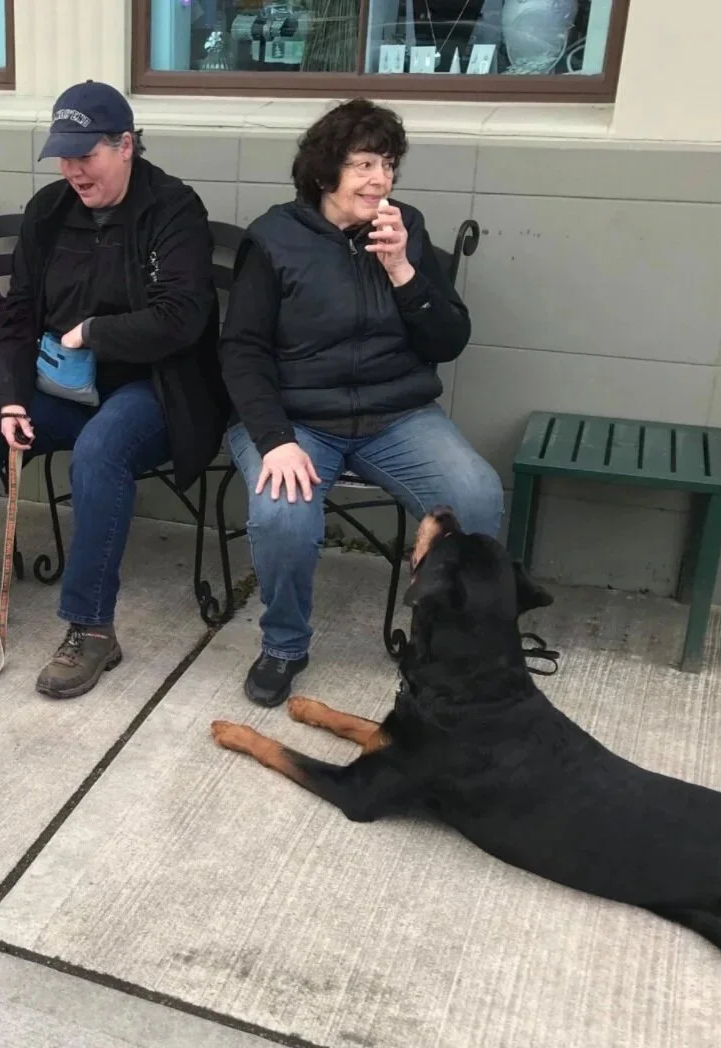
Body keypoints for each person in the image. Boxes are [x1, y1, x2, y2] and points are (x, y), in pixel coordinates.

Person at [0, 80, 228, 700]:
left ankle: (91, 628)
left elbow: (183, 317)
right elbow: (18, 314)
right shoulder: (50, 210)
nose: (74, 170)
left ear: (125, 145)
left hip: (150, 389)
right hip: (60, 386)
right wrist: (14, 394)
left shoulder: (174, 210)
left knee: (103, 449)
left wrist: (93, 331)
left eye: (87, 156)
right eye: (65, 157)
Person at [220, 99, 503, 707]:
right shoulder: (273, 239)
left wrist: (402, 268)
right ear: (326, 174)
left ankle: (450, 641)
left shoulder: (407, 230)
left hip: (395, 416)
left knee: (477, 495)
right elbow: (241, 351)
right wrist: (275, 439)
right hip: (295, 420)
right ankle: (285, 645)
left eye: (390, 164)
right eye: (365, 164)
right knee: (282, 513)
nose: (382, 180)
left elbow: (448, 340)